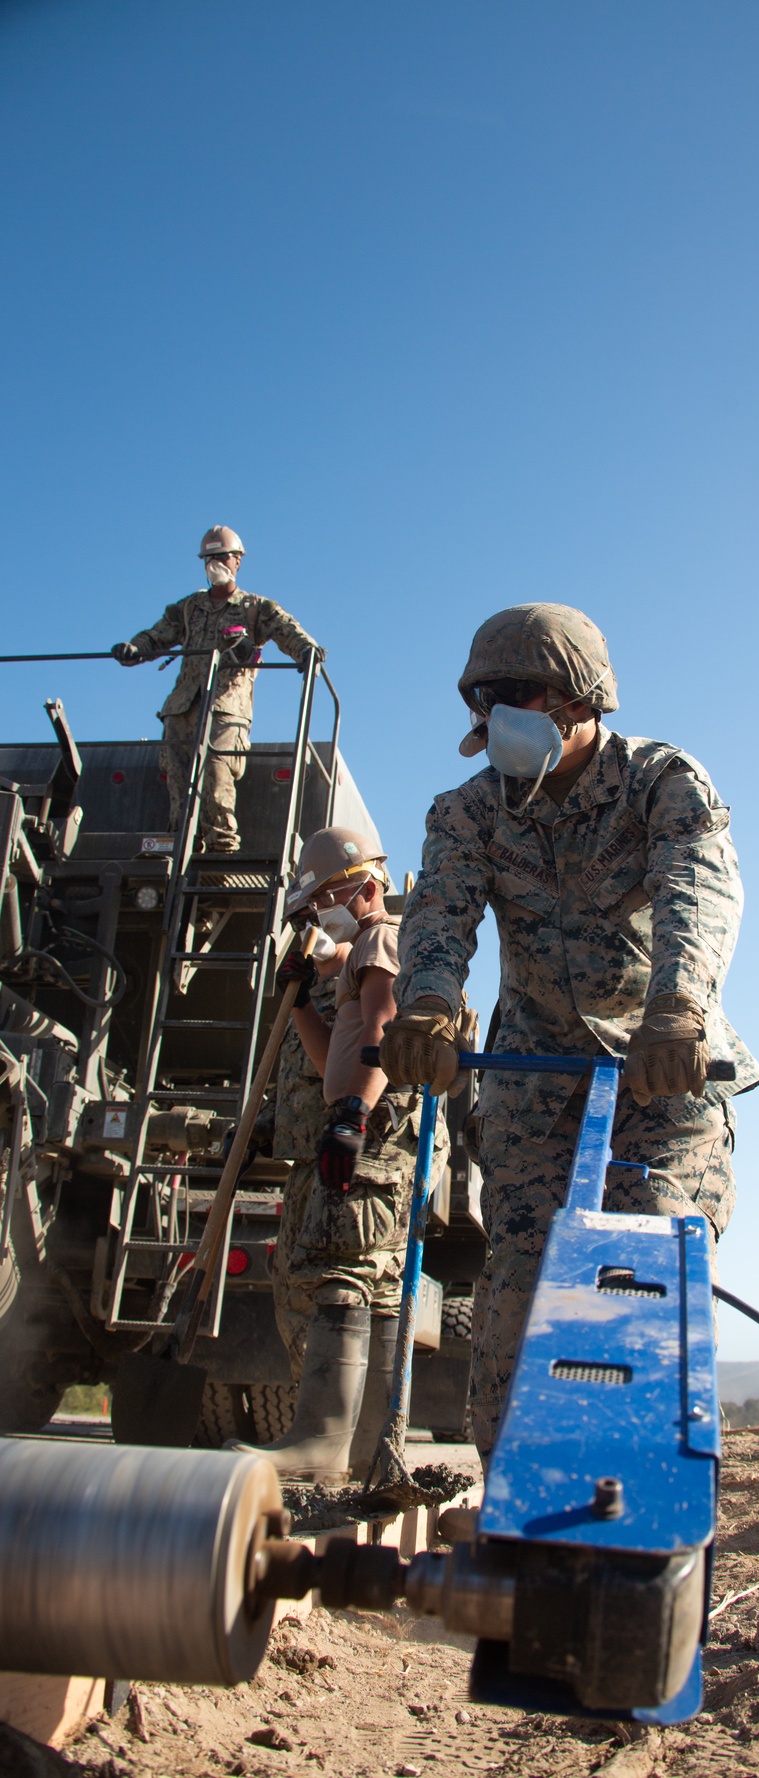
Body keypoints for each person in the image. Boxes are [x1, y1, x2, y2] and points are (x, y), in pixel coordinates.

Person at [379, 602, 759, 1461]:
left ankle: (641, 1500)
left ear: (582, 698)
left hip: (661, 1068)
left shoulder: (661, 781)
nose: (504, 710)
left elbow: (697, 891)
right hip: (532, 1084)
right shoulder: (469, 811)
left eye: (525, 690)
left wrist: (678, 1010)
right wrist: (428, 1008)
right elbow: (439, 916)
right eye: (492, 696)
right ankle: (517, 1500)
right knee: (519, 1290)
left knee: (644, 1266)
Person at [241, 825, 449, 1480]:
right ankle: (365, 1449)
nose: (313, 918)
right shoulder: (352, 952)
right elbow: (330, 1056)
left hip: (374, 1134)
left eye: (322, 901)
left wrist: (354, 1111)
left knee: (345, 1268)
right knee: (377, 1288)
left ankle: (323, 1437)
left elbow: (385, 1027)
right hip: (357, 1122)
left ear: (364, 888)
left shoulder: (383, 936)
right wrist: (301, 1000)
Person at [110, 525, 324, 853]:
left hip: (226, 707)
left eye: (222, 557)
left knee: (217, 772)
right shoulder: (188, 608)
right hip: (183, 706)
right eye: (209, 558)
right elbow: (157, 635)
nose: (216, 564)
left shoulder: (255, 607)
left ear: (238, 560)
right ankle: (182, 845)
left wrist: (307, 650)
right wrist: (134, 649)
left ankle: (222, 846)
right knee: (178, 779)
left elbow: (287, 630)